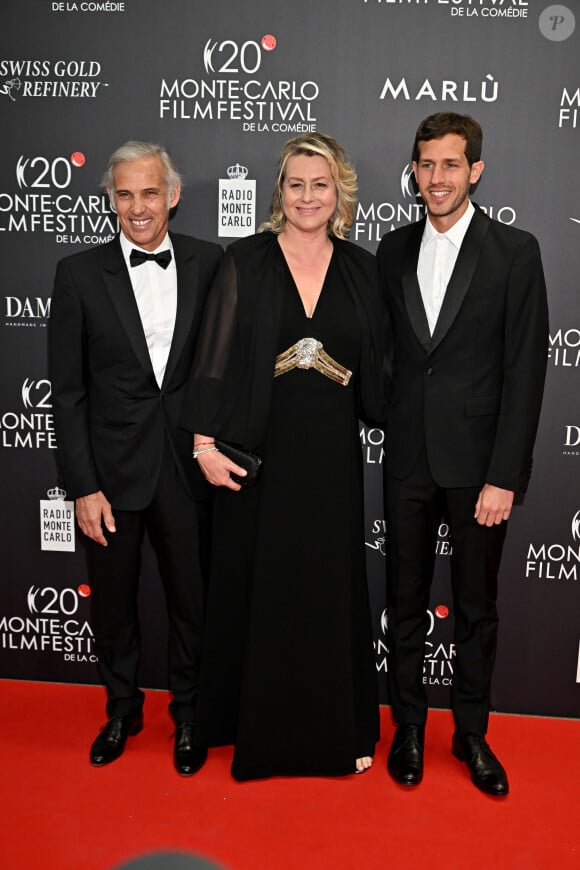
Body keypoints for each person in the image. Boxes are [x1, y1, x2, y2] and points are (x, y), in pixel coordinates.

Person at [181, 133, 389, 780]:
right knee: (261, 590)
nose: (307, 196)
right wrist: (203, 444)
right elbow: (210, 364)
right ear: (280, 191)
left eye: (319, 184)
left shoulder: (362, 267)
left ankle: (339, 730)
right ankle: (256, 730)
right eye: (296, 184)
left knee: (326, 588)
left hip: (328, 456)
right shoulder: (245, 260)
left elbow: (382, 368)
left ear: (339, 192)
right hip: (257, 457)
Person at [377, 113, 549, 796]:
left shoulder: (516, 251)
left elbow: (525, 370)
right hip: (408, 462)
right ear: (414, 171)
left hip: (480, 471)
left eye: (451, 165)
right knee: (405, 602)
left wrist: (504, 475)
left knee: (477, 607)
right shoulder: (390, 251)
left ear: (475, 170)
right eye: (426, 165)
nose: (437, 178)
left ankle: (472, 732)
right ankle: (410, 729)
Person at [48, 141, 223, 775]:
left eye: (149, 193)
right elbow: (66, 394)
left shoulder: (210, 262)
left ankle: (189, 714)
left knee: (191, 604)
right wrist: (82, 485)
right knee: (114, 603)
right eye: (124, 195)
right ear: (112, 199)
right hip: (111, 477)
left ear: (172, 195)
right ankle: (122, 708)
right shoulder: (77, 274)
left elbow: (223, 372)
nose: (138, 207)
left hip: (186, 468)